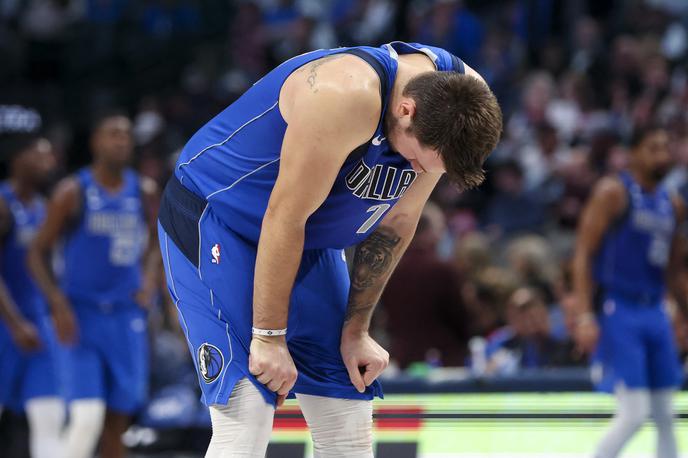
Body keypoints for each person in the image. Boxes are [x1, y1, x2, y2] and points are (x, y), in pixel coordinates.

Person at [158, 41, 502, 457]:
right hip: (218, 220)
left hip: (309, 236)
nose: (417, 173)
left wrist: (356, 330)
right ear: (406, 109)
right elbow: (283, 218)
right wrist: (269, 337)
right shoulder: (342, 93)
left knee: (348, 421)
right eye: (419, 160)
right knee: (248, 411)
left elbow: (396, 222)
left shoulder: (464, 99)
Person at [28, 113, 160, 458]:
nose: (120, 141)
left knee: (119, 422)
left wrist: (147, 281)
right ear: (95, 142)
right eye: (112, 134)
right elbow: (36, 253)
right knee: (87, 417)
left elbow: (157, 243)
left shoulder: (144, 190)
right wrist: (56, 303)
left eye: (126, 135)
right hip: (81, 317)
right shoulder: (72, 191)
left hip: (125, 315)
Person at [572, 125, 687, 458]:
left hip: (656, 310)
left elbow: (675, 270)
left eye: (667, 147)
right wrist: (584, 315)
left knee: (667, 414)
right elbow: (582, 255)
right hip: (618, 308)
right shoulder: (613, 192)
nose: (662, 155)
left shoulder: (674, 204)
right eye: (653, 147)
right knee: (634, 413)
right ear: (633, 153)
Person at [0, 105, 64, 458]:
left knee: (50, 415)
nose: (48, 161)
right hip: (6, 323)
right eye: (39, 154)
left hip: (38, 323)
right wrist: (15, 323)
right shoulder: (3, 202)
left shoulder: (45, 207)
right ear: (18, 159)